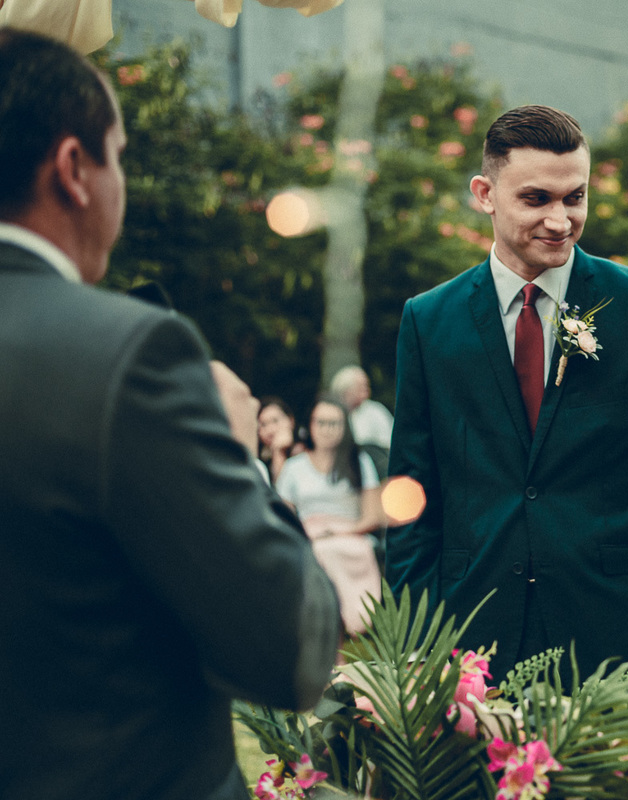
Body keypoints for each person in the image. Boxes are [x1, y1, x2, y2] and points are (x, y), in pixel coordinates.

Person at [385, 104, 628, 765]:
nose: (560, 219)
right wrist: (410, 646)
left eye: (575, 197)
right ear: (484, 195)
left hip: (612, 636)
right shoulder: (429, 321)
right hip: (470, 644)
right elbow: (411, 490)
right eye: (536, 198)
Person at [0, 29, 340, 800]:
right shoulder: (127, 354)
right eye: (119, 155)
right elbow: (291, 649)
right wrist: (232, 449)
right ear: (74, 169)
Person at [277, 397, 385, 634]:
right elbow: (283, 517)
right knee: (317, 552)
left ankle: (344, 623)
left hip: (351, 535)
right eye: (322, 422)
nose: (328, 430)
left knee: (330, 551)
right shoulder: (294, 467)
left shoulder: (360, 462)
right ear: (311, 425)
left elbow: (372, 517)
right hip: (308, 535)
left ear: (345, 426)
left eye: (335, 423)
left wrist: (337, 530)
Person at [257, 395, 302, 483]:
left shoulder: (305, 454)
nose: (270, 430)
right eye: (263, 424)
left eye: (275, 421)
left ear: (291, 421)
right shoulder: (258, 462)